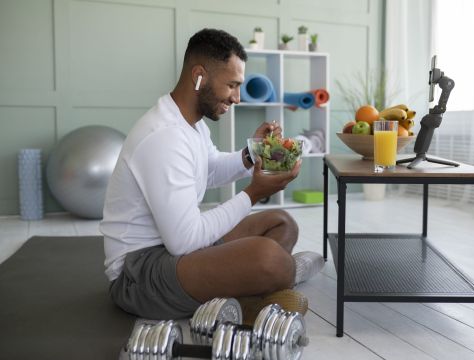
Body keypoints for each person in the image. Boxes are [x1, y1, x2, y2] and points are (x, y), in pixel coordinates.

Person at [100, 28, 323, 320]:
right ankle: (283, 275)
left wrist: (253, 152)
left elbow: (209, 169)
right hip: (140, 273)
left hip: (176, 252)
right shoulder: (164, 136)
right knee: (269, 259)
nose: (237, 98)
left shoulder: (191, 124)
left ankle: (255, 291)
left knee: (282, 223)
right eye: (232, 85)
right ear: (199, 76)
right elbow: (185, 240)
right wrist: (254, 192)